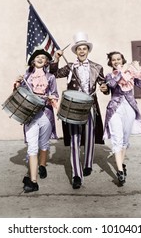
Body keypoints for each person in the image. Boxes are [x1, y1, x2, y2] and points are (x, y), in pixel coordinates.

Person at [50, 32, 108, 189]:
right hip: (73, 107)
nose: (82, 51)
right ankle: (77, 174)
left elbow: (104, 86)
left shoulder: (97, 67)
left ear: (88, 50)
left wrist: (104, 88)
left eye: (84, 48)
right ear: (75, 51)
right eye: (79, 49)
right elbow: (54, 73)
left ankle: (88, 163)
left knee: (89, 137)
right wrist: (56, 58)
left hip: (90, 106)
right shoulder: (70, 67)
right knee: (75, 139)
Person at [14, 49, 59, 193]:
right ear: (33, 61)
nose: (40, 59)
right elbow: (19, 94)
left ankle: (43, 165)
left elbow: (55, 94)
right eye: (37, 57)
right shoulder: (26, 77)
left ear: (46, 62)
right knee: (32, 147)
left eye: (43, 58)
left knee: (44, 143)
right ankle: (33, 181)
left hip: (45, 114)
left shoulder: (51, 77)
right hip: (30, 115)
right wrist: (17, 84)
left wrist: (52, 98)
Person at [103, 51, 141, 185]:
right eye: (113, 60)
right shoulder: (110, 75)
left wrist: (137, 69)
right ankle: (120, 171)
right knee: (117, 138)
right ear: (110, 62)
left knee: (125, 139)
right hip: (115, 109)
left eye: (119, 59)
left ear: (122, 60)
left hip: (129, 108)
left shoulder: (130, 74)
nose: (116, 62)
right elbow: (111, 85)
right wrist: (122, 71)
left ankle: (121, 165)